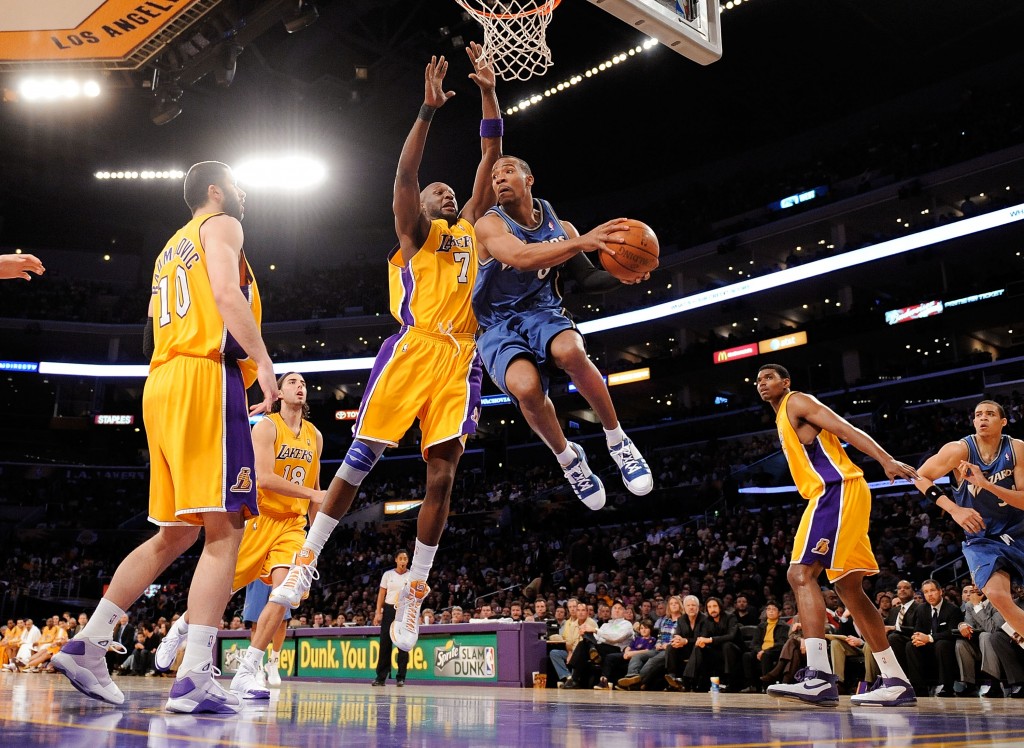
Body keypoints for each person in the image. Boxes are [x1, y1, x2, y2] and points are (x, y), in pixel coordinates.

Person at [269, 45, 502, 658]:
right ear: (421, 207)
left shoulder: (473, 230)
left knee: (444, 476)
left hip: (463, 357)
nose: (447, 194)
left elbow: (490, 160)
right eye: (438, 192)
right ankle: (307, 559)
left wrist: (487, 95)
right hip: (415, 348)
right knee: (361, 458)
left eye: (451, 193)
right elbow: (403, 178)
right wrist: (426, 113)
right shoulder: (416, 234)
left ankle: (416, 590)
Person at [52, 160, 278, 714]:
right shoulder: (221, 224)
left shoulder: (167, 249)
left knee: (175, 533)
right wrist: (265, 363)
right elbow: (228, 296)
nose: (245, 195)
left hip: (162, 383)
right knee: (226, 528)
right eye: (238, 186)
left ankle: (89, 642)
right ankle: (197, 675)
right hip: (204, 378)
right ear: (215, 190)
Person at [471, 156, 653, 511]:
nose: (499, 179)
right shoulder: (488, 225)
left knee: (571, 351)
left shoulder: (562, 228)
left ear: (529, 179)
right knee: (525, 388)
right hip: (496, 323)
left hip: (542, 311)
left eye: (507, 171)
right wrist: (581, 242)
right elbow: (522, 256)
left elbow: (587, 279)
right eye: (494, 176)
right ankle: (570, 459)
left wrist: (622, 275)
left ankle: (618, 441)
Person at [754, 363, 920, 707]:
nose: (761, 384)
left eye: (769, 377)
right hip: (837, 495)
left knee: (800, 573)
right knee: (849, 589)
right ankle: (896, 680)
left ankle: (817, 676)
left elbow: (845, 428)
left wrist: (886, 459)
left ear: (786, 381)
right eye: (757, 380)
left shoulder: (797, 402)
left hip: (837, 490)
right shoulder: (783, 417)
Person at [154, 371, 324, 699]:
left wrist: (315, 540)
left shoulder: (315, 436)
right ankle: (180, 629)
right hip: (260, 520)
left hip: (292, 525)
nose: (299, 386)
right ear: (279, 391)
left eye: (303, 383)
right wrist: (315, 496)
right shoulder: (267, 426)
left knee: (285, 593)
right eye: (292, 382)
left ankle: (248, 671)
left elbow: (315, 489)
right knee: (220, 593)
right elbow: (263, 478)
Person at [912, 400, 1024, 668]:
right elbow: (919, 476)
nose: (982, 418)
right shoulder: (958, 450)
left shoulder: (1017, 449)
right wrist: (953, 509)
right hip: (981, 537)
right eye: (977, 415)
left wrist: (985, 484)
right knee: (997, 594)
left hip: (1017, 529)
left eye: (990, 414)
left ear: (1003, 422)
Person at [372, 550, 411, 687]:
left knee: (402, 644)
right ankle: (381, 677)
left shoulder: (411, 576)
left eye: (405, 559)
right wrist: (378, 612)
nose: (402, 561)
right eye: (400, 558)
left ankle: (401, 677)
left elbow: (415, 596)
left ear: (407, 561)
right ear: (396, 560)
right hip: (389, 609)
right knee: (385, 643)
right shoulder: (388, 575)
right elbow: (381, 595)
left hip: (404, 610)